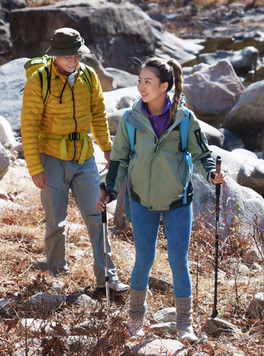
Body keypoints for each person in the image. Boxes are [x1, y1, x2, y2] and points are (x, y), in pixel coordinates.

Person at [97, 57, 226, 342]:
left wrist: (212, 174)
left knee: (178, 260)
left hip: (178, 199)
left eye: (148, 82)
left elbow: (203, 154)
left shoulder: (184, 119)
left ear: (164, 86)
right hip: (142, 199)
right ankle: (134, 321)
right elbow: (119, 159)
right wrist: (110, 191)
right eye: (140, 80)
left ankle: (184, 325)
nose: (140, 86)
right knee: (143, 259)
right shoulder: (131, 120)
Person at [21, 27, 130, 295]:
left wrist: (106, 148)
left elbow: (98, 115)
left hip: (83, 156)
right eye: (67, 55)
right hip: (51, 158)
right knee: (55, 222)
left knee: (97, 215)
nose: (73, 60)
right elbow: (29, 126)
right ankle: (57, 275)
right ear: (54, 55)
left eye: (77, 55)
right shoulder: (39, 80)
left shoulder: (89, 77)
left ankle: (108, 279)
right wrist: (35, 168)